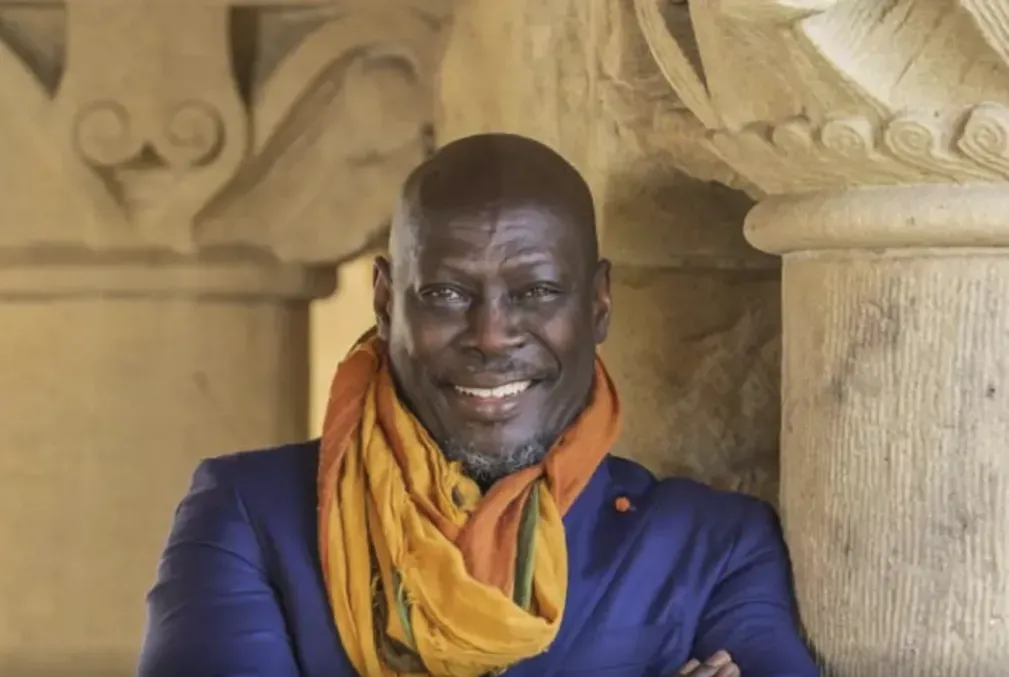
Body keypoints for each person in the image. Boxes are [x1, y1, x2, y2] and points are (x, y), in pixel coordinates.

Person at [136, 133, 819, 677]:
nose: (491, 336)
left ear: (598, 303)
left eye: (535, 291)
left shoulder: (713, 547)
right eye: (446, 294)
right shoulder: (252, 516)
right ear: (384, 300)